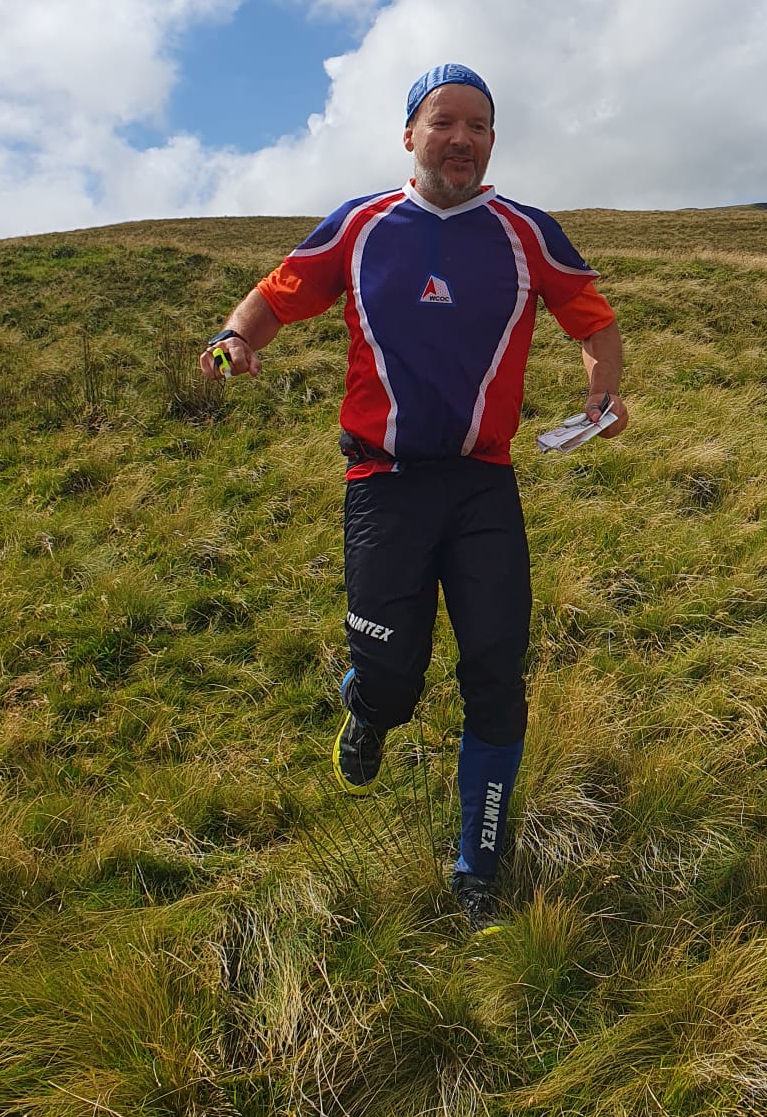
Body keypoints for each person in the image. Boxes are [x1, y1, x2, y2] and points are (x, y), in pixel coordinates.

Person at [198, 63, 627, 930]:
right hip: (383, 485)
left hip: (482, 486)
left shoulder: (527, 234)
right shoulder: (361, 226)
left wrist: (603, 396)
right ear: (410, 135)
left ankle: (478, 868)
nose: (461, 138)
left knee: (496, 674)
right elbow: (276, 298)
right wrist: (235, 340)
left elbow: (594, 321)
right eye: (443, 121)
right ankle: (370, 710)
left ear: (492, 142)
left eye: (478, 125)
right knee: (394, 678)